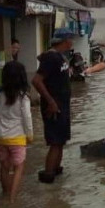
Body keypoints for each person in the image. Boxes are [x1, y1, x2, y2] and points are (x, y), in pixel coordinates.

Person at [32, 29, 75, 184]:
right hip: (54, 107)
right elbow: (36, 80)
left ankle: (56, 171)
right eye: (71, 38)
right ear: (65, 40)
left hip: (62, 105)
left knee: (61, 140)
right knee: (55, 141)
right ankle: (49, 174)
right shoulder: (51, 58)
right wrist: (51, 102)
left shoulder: (57, 56)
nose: (72, 41)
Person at [0, 61, 33, 202]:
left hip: (1, 137)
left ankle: (5, 194)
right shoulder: (23, 97)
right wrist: (30, 136)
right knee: (19, 167)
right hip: (17, 138)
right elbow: (27, 118)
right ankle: (12, 200)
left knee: (4, 167)